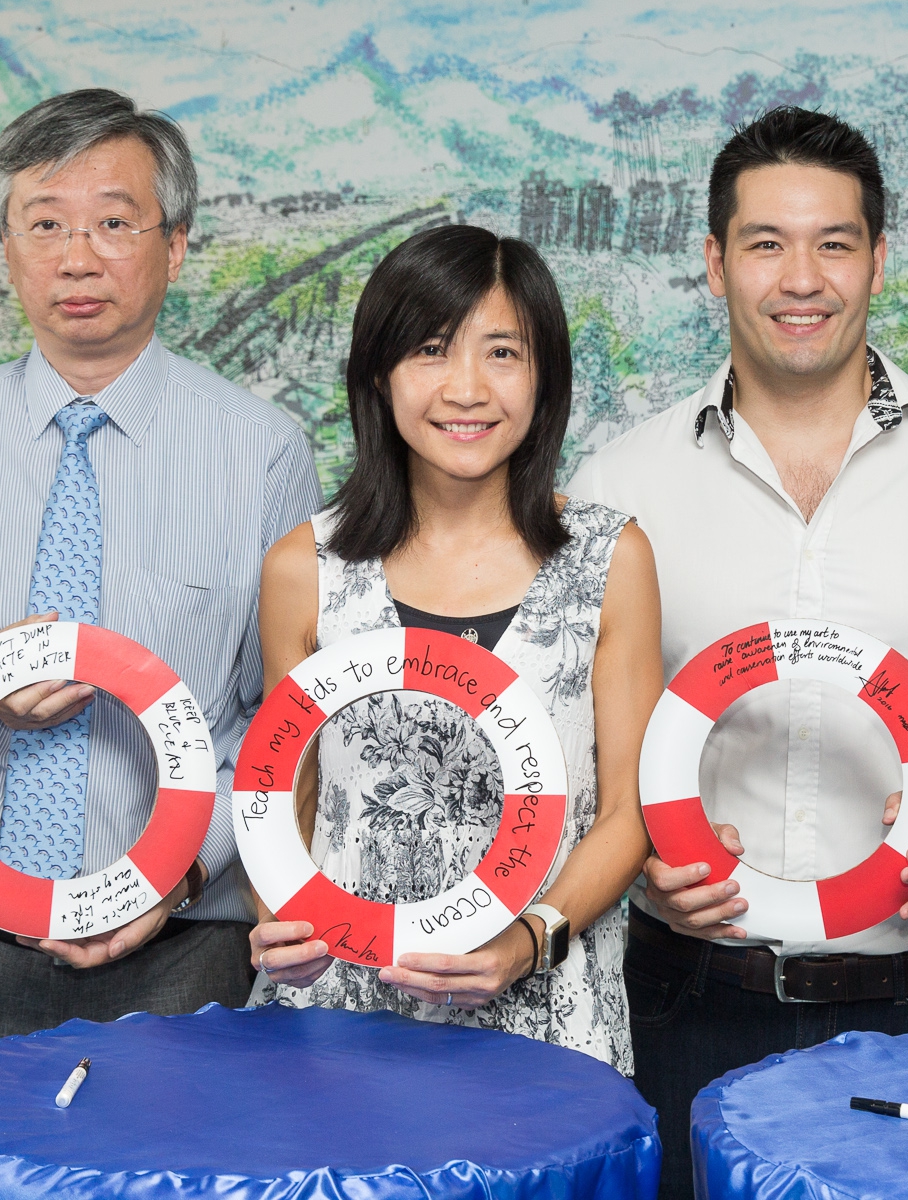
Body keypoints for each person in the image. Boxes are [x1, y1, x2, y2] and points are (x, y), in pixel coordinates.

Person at [566, 106, 908, 1193]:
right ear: (715, 264)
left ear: (879, 259)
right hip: (682, 996)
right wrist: (639, 854)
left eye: (833, 243)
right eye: (765, 243)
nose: (799, 277)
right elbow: (572, 731)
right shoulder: (618, 483)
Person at [0, 88, 322, 1081]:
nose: (77, 254)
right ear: (8, 248)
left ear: (174, 246)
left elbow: (292, 727)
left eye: (112, 222)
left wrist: (178, 877)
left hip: (183, 962)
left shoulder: (262, 454)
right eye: (44, 223)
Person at [247, 224, 662, 1068]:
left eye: (502, 352)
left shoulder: (610, 558)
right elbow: (282, 791)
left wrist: (530, 937)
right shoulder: (306, 566)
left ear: (544, 378)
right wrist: (274, 917)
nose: (466, 388)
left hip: (550, 1014)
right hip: (338, 1014)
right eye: (431, 350)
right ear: (378, 373)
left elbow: (627, 809)